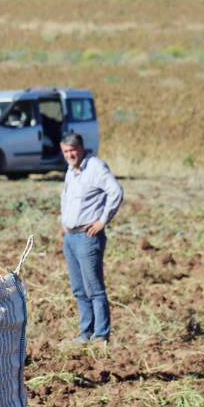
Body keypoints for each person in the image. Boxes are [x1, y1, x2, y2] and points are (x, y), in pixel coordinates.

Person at [59, 133, 123, 343]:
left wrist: (103, 221)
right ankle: (85, 332)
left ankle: (101, 334)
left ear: (81, 148)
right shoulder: (71, 170)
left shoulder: (94, 166)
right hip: (70, 237)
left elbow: (115, 191)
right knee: (79, 289)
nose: (70, 155)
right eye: (66, 151)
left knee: (94, 289)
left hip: (88, 237)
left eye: (73, 150)